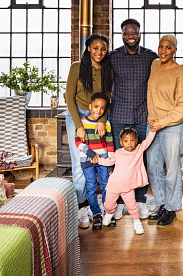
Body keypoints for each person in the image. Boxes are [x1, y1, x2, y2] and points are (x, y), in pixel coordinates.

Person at [108, 18, 158, 220]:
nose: (130, 36)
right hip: (119, 114)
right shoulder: (112, 57)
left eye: (134, 32)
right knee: (119, 159)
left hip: (142, 115)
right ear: (122, 35)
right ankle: (119, 201)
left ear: (140, 34)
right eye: (126, 33)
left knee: (141, 158)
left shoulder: (150, 57)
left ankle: (139, 198)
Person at [66, 33, 113, 229]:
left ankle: (102, 208)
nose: (99, 52)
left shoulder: (107, 70)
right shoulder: (77, 67)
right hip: (77, 115)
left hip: (98, 115)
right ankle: (82, 206)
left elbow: (107, 97)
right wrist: (79, 125)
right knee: (79, 163)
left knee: (102, 162)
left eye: (103, 49)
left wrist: (101, 120)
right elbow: (69, 97)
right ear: (88, 49)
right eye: (95, 48)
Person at [146, 34, 183, 228]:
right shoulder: (154, 65)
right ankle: (163, 203)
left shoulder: (180, 73)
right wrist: (152, 119)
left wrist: (162, 122)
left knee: (171, 169)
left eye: (168, 47)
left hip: (173, 126)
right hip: (154, 125)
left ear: (175, 50)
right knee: (153, 167)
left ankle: (172, 208)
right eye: (160, 47)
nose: (163, 51)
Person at [98, 127, 156, 234]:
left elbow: (147, 141)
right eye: (126, 141)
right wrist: (98, 160)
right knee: (108, 205)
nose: (129, 143)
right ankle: (109, 214)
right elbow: (109, 162)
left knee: (132, 206)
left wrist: (153, 131)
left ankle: (137, 222)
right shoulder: (118, 152)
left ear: (136, 141)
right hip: (113, 185)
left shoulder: (138, 150)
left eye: (132, 140)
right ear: (121, 142)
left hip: (127, 187)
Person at [75, 92, 114, 230]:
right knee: (91, 187)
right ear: (90, 106)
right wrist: (90, 153)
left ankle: (108, 212)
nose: (99, 110)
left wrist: (110, 164)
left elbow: (110, 144)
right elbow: (78, 142)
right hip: (87, 160)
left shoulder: (106, 124)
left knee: (106, 186)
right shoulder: (82, 123)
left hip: (103, 160)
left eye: (103, 108)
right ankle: (96, 213)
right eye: (96, 106)